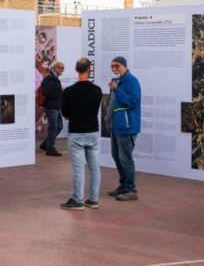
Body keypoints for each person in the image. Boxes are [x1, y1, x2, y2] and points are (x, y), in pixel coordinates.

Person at [60, 57, 102, 210]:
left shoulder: (69, 91)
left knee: (78, 169)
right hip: (93, 132)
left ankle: (78, 200)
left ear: (76, 70)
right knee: (94, 168)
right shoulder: (97, 90)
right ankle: (93, 200)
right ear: (89, 70)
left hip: (76, 133)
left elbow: (64, 112)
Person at [106, 56, 141, 202]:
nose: (114, 69)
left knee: (126, 159)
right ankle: (123, 186)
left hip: (127, 127)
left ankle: (131, 190)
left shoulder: (132, 81)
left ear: (124, 66)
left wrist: (117, 90)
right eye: (112, 66)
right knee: (116, 156)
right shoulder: (117, 81)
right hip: (116, 127)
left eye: (117, 66)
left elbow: (133, 102)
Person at [39, 61, 65, 156]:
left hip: (56, 107)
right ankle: (50, 148)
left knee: (59, 126)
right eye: (61, 68)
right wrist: (60, 91)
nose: (63, 70)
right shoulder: (49, 78)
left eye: (63, 68)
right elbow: (47, 92)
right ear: (55, 68)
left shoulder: (54, 78)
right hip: (51, 107)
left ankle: (46, 144)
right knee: (53, 127)